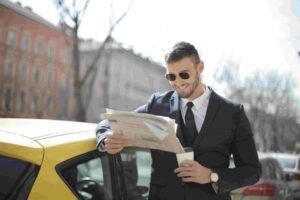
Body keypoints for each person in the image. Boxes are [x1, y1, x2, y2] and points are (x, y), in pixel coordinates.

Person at [96, 41, 261, 200]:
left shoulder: (232, 113)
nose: (178, 82)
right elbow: (108, 123)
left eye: (184, 74)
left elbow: (252, 171)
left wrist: (212, 175)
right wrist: (106, 139)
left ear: (200, 67)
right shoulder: (156, 105)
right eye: (171, 76)